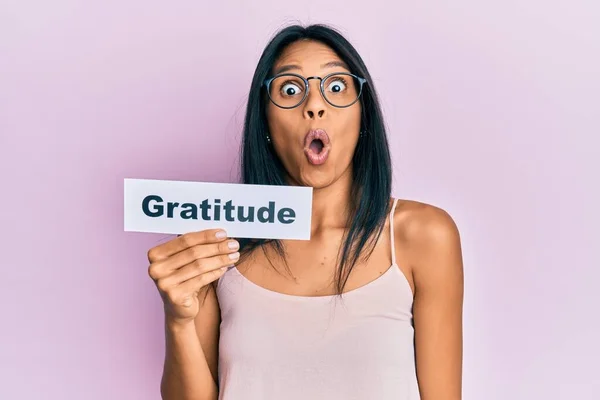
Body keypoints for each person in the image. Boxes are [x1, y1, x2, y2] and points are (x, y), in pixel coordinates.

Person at [147, 24, 464, 400]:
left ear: (363, 117)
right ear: (264, 122)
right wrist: (178, 321)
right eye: (291, 90)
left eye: (335, 87)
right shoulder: (220, 246)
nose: (314, 105)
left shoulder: (423, 236)